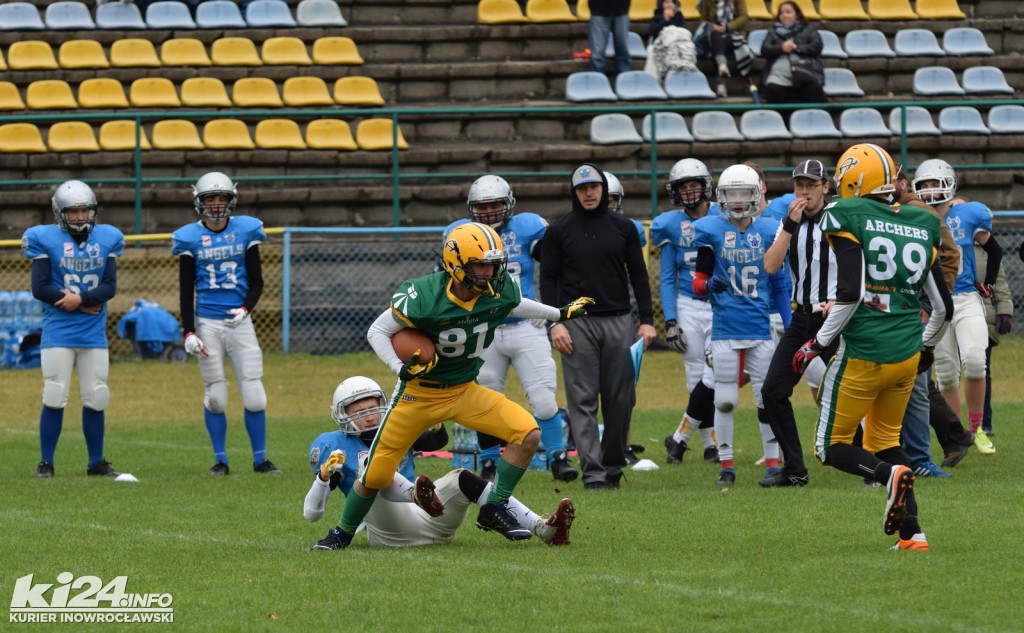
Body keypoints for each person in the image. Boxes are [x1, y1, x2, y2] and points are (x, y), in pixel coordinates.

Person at [311, 222, 593, 550]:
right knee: (374, 475)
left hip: (464, 389)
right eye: (481, 266)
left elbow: (514, 307)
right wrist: (400, 368)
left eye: (493, 265)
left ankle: (494, 506)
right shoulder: (424, 295)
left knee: (527, 433)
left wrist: (558, 313)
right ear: (456, 264)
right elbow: (378, 330)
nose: (490, 273)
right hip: (419, 394)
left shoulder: (499, 291)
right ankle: (341, 534)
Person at [798, 143, 952, 551]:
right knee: (886, 440)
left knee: (829, 448)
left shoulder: (846, 214)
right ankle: (913, 535)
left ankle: (888, 478)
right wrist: (923, 347)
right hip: (905, 356)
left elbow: (848, 294)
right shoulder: (921, 221)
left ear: (851, 179)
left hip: (864, 354)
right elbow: (943, 307)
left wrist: (816, 343)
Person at [305, 376, 575, 548]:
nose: (371, 416)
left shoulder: (394, 427)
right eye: (360, 411)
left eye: (373, 407)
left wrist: (435, 423)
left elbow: (436, 442)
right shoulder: (334, 445)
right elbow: (311, 514)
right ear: (342, 415)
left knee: (461, 477)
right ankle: (415, 494)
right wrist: (323, 478)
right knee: (373, 467)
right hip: (388, 530)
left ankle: (544, 529)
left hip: (430, 519)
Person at [442, 175, 578, 484]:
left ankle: (558, 457)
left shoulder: (528, 227)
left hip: (526, 324)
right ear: (471, 209)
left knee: (543, 397)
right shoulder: (460, 234)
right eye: (483, 207)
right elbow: (445, 278)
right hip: (484, 328)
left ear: (509, 204)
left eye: (495, 205)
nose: (489, 212)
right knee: (487, 399)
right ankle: (489, 463)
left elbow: (555, 264)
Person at [540, 164, 657, 490]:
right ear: (574, 192)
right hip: (576, 322)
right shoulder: (558, 231)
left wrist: (646, 320)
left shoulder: (624, 228)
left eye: (594, 187)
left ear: (604, 190)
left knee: (622, 399)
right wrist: (554, 323)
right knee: (582, 400)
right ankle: (593, 473)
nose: (589, 193)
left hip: (619, 319)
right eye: (582, 188)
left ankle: (613, 464)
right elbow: (547, 280)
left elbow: (639, 275)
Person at [172, 172, 280, 476]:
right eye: (210, 199)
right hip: (208, 322)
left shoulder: (246, 231)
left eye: (222, 199)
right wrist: (188, 331)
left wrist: (245, 308)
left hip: (239, 322)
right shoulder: (189, 237)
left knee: (255, 394)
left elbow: (257, 281)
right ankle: (220, 459)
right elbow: (185, 290)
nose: (217, 205)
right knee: (216, 397)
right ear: (199, 202)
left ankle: (261, 459)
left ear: (231, 200)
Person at [691, 164, 791, 486]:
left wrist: (789, 325)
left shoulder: (769, 229)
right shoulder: (711, 229)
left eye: (743, 193)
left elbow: (778, 285)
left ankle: (773, 464)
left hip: (760, 328)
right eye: (731, 193)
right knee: (725, 400)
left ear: (756, 194)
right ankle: (726, 465)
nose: (736, 200)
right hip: (724, 328)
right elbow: (697, 283)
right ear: (721, 196)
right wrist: (708, 287)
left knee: (766, 399)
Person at [23, 180, 124, 478]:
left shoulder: (107, 238)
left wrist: (80, 298)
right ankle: (46, 462)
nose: (80, 217)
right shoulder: (44, 238)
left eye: (85, 210)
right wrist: (79, 304)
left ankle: (96, 463)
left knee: (97, 396)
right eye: (73, 211)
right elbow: (40, 288)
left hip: (93, 334)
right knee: (55, 395)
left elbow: (110, 286)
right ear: (60, 213)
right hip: (59, 333)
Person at [912, 159, 1001, 456]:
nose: (930, 190)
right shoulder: (912, 216)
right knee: (947, 374)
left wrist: (986, 283)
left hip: (964, 298)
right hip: (934, 302)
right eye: (924, 184)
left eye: (935, 183)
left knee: (976, 360)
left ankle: (977, 430)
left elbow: (994, 249)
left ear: (948, 184)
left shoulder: (968, 213)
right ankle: (958, 435)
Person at [759, 160, 836, 487]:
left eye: (811, 185)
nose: (804, 191)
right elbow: (771, 266)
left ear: (825, 188)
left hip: (836, 320)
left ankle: (873, 460)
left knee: (850, 390)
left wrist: (844, 299)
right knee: (772, 391)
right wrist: (789, 226)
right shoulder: (788, 223)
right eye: (799, 185)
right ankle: (794, 469)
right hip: (802, 317)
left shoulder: (839, 220)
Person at [650, 159, 720, 465]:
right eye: (684, 187)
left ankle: (679, 437)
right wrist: (670, 320)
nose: (690, 192)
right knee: (697, 377)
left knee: (715, 373)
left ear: (706, 187)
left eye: (694, 185)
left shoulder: (723, 214)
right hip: (688, 304)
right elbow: (666, 277)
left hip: (720, 304)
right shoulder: (670, 225)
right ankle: (711, 444)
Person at [973, 239, 1012, 436]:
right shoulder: (949, 243)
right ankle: (951, 427)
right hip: (952, 317)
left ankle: (983, 425)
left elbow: (1000, 283)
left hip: (984, 319)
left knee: (981, 372)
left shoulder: (989, 250)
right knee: (950, 375)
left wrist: (1005, 311)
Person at [758, 1, 826, 108]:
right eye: (781, 13)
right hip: (778, 77)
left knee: (815, 92)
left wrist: (796, 48)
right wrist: (781, 48)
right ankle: (785, 123)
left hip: (804, 73)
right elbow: (765, 50)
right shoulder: (772, 31)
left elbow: (817, 46)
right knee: (773, 91)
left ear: (797, 14)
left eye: (788, 12)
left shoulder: (808, 29)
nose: (784, 15)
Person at [696, 0, 752, 98]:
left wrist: (727, 27)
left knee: (716, 47)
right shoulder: (706, 1)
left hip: (733, 34)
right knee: (715, 38)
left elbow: (744, 17)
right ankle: (722, 66)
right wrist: (713, 26)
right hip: (713, 35)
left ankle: (720, 84)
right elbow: (703, 20)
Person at [588, 0, 631, 77]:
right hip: (598, 9)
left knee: (623, 53)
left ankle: (625, 84)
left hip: (622, 8)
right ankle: (598, 84)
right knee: (597, 56)